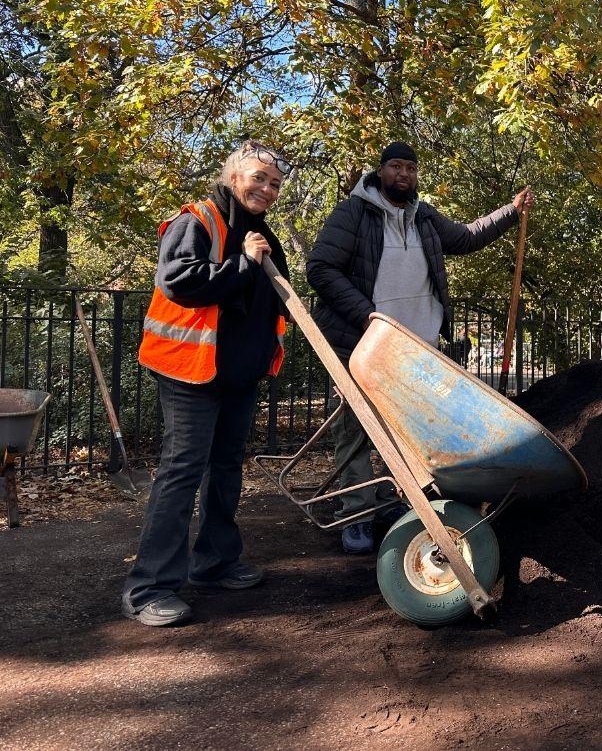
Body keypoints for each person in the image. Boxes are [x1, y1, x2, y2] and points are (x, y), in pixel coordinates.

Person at [306, 141, 534, 553]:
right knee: (357, 430)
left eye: (410, 168)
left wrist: (511, 211)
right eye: (396, 166)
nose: (404, 175)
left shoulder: (423, 216)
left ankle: (391, 504)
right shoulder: (354, 212)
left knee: (408, 431)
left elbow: (464, 239)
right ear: (380, 171)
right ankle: (356, 515)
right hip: (362, 342)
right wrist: (367, 316)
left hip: (413, 349)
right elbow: (320, 268)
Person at [122, 139, 291, 627]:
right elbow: (179, 280)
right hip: (190, 372)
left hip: (237, 375)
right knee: (182, 471)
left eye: (274, 184)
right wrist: (244, 263)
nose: (266, 189)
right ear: (234, 175)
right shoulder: (197, 220)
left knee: (226, 469)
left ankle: (215, 562)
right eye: (258, 178)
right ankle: (149, 587)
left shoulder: (258, 231)